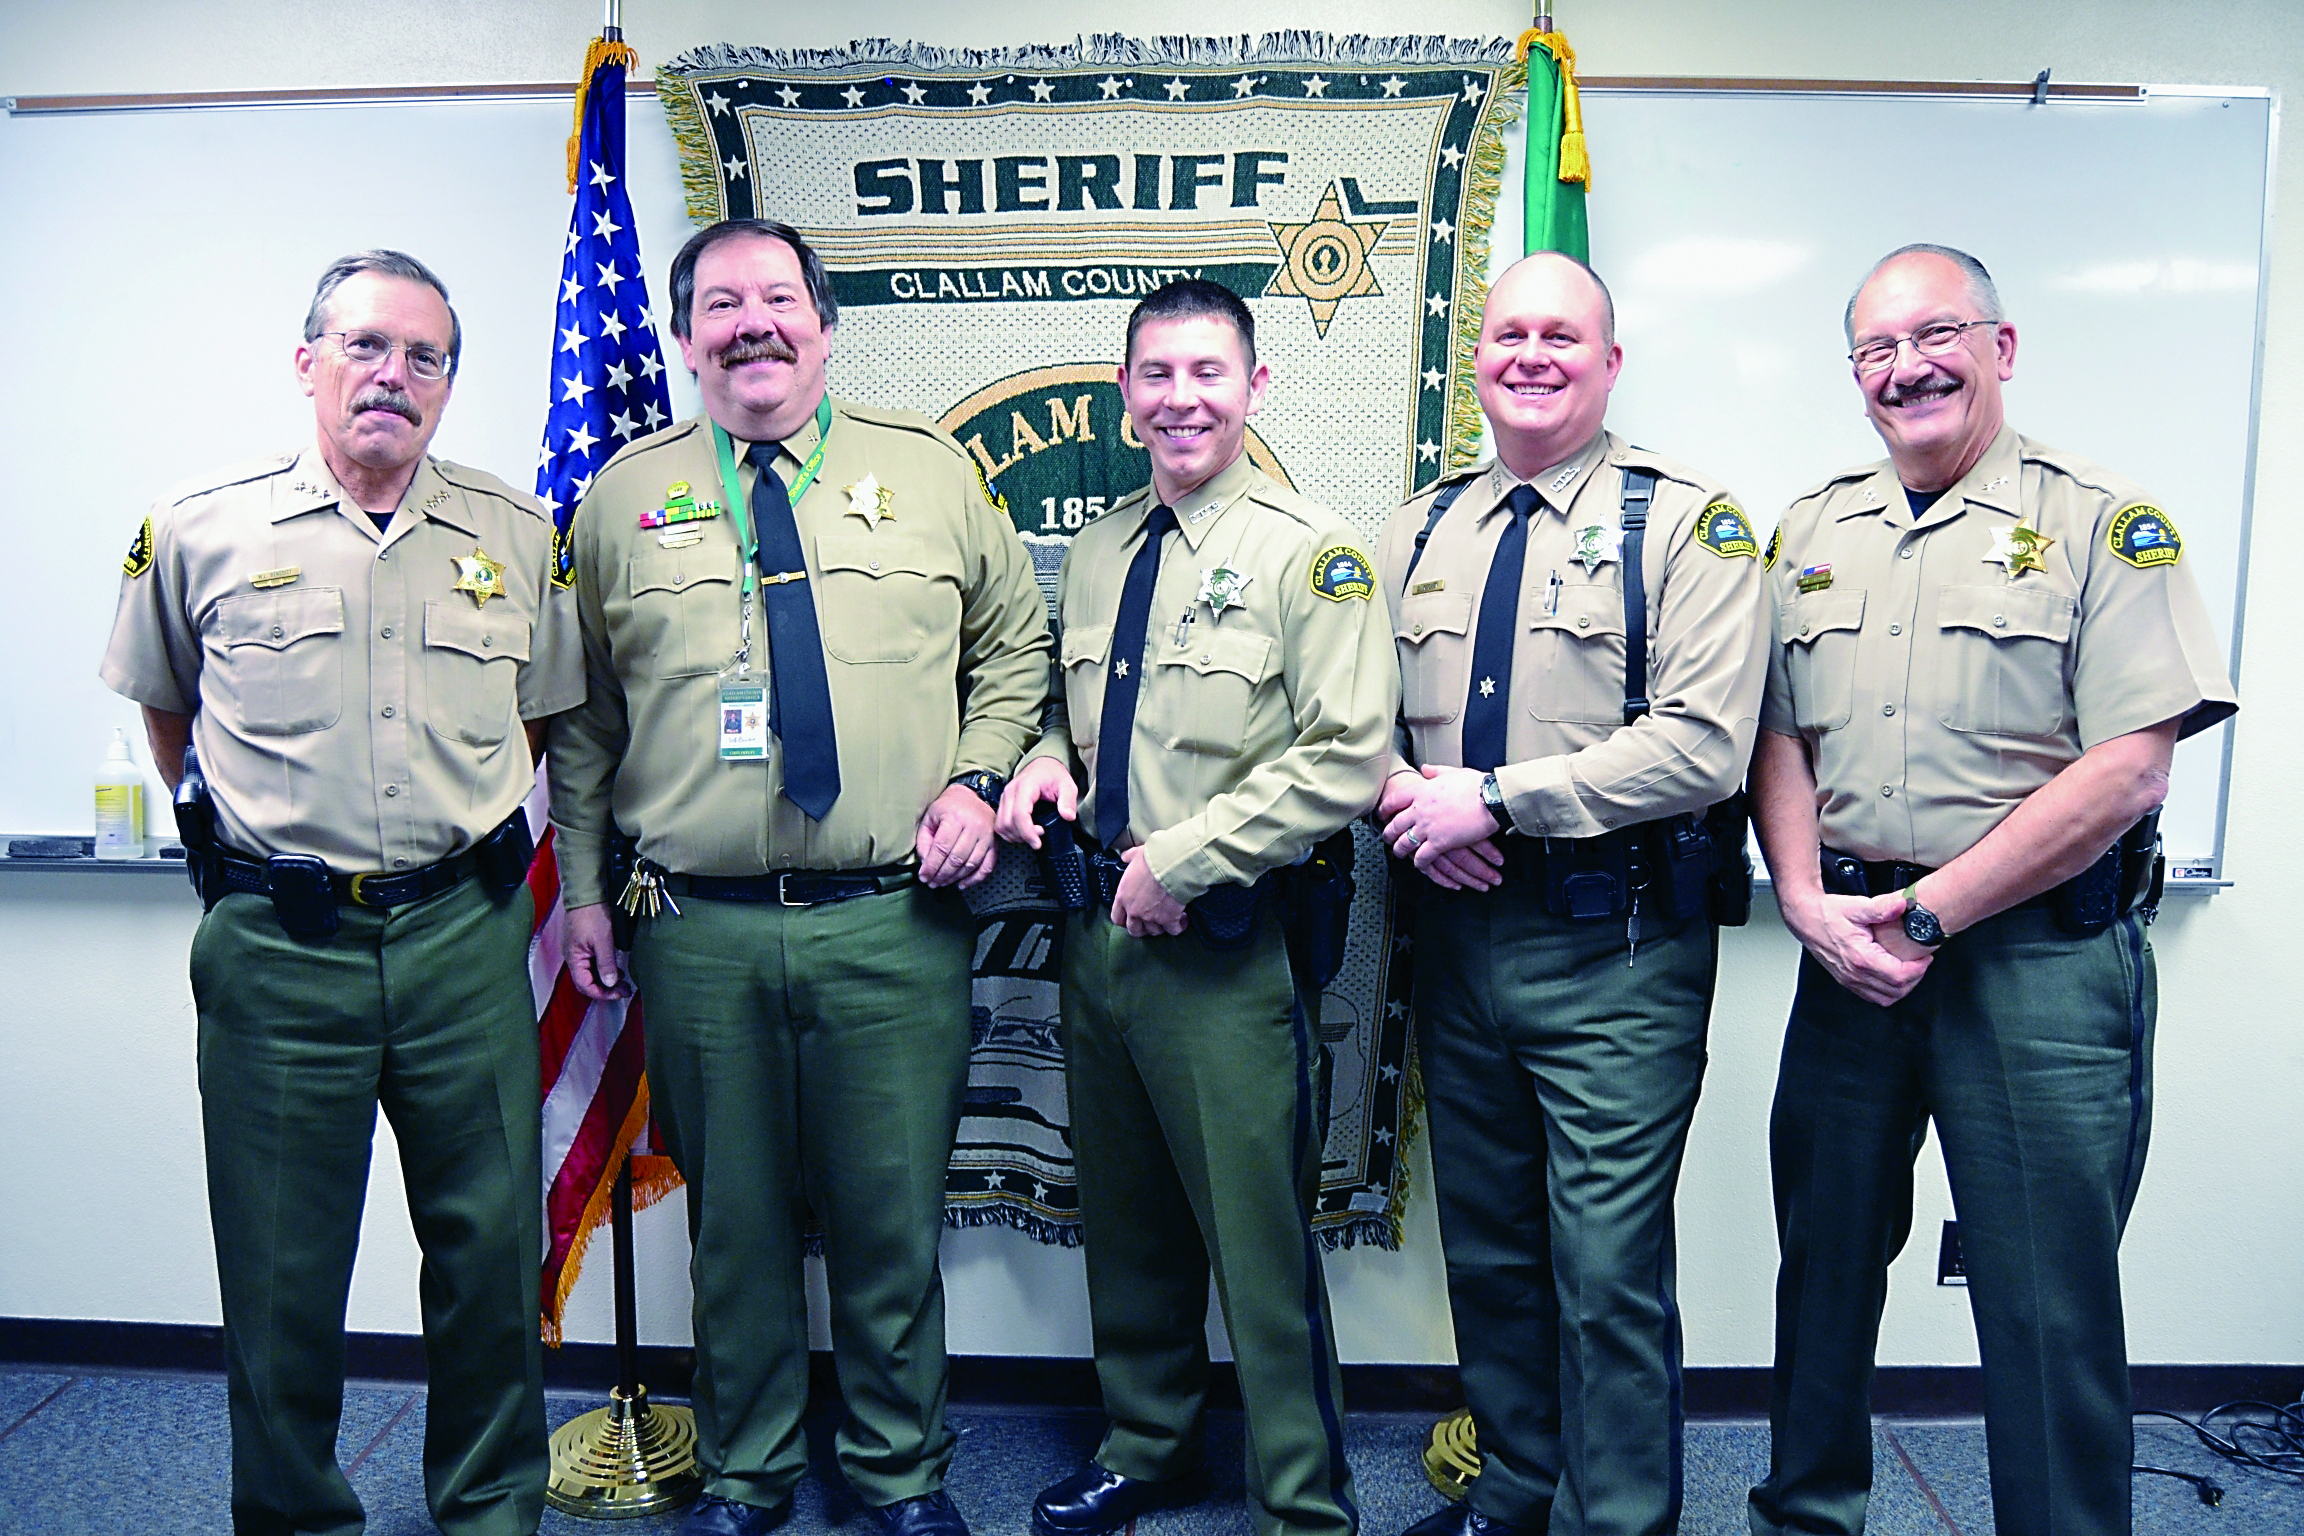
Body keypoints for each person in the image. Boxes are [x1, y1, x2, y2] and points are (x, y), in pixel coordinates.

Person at [548, 218, 1050, 1536]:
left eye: (780, 298)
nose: (753, 323)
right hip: (697, 933)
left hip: (892, 924)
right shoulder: (618, 499)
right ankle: (752, 1473)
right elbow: (588, 723)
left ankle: (898, 1475)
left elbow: (1014, 648)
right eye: (723, 303)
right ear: (683, 333)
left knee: (890, 1230)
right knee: (739, 1233)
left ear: (826, 326)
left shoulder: (931, 474)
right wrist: (587, 889)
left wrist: (976, 780)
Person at [1745, 244, 2238, 1536]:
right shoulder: (1810, 530)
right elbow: (1779, 733)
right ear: (1853, 375)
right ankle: (1805, 1517)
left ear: (2001, 349)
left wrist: (1931, 911)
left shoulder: (2100, 521)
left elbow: (2131, 770)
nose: (1906, 367)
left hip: (2037, 970)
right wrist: (1801, 897)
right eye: (1875, 349)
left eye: (1936, 335)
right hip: (1848, 957)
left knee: (2044, 1298)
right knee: (1825, 1271)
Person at [100, 250, 577, 1535]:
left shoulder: (519, 533)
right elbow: (168, 712)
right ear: (306, 361)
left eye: (425, 357)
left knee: (486, 1259)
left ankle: (489, 1511)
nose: (394, 376)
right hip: (278, 944)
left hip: (466, 938)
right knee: (279, 1266)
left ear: (448, 384)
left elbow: (537, 727)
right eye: (366, 346)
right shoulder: (198, 527)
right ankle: (297, 1515)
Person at [1376, 251, 1769, 1536]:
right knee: (1489, 1247)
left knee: (1606, 1269)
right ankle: (1515, 1488)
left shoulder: (1686, 523)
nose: (1531, 355)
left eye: (1562, 335)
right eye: (1508, 335)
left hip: (1619, 950)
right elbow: (1352, 717)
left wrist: (1491, 800)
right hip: (1461, 932)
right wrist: (1407, 802)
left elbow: (1706, 746)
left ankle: (1620, 1521)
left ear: (1610, 362)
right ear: (1473, 361)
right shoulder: (1423, 525)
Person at [997, 279, 1395, 1536]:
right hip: (1096, 930)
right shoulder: (1108, 545)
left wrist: (1187, 860)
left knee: (1258, 1241)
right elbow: (1079, 710)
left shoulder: (1308, 553)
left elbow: (1349, 755)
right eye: (1156, 376)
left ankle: (1303, 1499)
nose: (1181, 400)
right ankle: (1149, 1442)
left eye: (1207, 374)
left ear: (1254, 387)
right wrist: (1045, 759)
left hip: (1224, 943)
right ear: (1126, 395)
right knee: (1125, 1217)